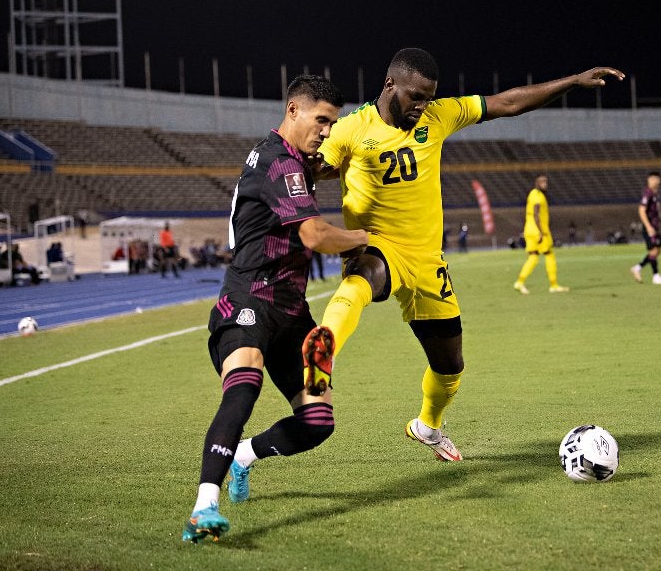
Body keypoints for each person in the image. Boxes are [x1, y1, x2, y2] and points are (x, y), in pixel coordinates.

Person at [294, 48, 623, 464]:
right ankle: (324, 353)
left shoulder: (438, 116)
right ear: (390, 85)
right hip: (379, 244)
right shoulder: (350, 130)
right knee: (362, 277)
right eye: (415, 96)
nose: (422, 106)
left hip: (429, 260)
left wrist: (571, 80)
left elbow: (507, 103)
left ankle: (427, 426)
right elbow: (311, 168)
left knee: (450, 368)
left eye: (429, 97)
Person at [181, 75, 368, 544]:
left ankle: (244, 455)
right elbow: (315, 236)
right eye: (321, 120)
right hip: (247, 301)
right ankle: (204, 505)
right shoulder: (279, 161)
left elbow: (322, 166)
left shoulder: (294, 160)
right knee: (244, 387)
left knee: (318, 422)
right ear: (293, 110)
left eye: (334, 122)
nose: (327, 130)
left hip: (292, 313)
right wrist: (368, 238)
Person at [513, 174, 568, 294]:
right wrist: (541, 231)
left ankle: (519, 282)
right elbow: (536, 214)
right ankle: (553, 284)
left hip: (529, 229)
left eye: (546, 182)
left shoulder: (532, 193)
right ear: (537, 183)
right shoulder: (538, 196)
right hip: (539, 231)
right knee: (549, 254)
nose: (545, 184)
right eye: (542, 182)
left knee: (533, 257)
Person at [630, 171, 661, 284]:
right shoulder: (647, 193)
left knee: (658, 250)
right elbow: (641, 210)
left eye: (655, 179)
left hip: (655, 226)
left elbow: (657, 211)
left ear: (659, 180)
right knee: (654, 250)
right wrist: (648, 226)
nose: (653, 181)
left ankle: (638, 268)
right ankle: (655, 276)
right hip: (650, 227)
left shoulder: (656, 194)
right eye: (651, 179)